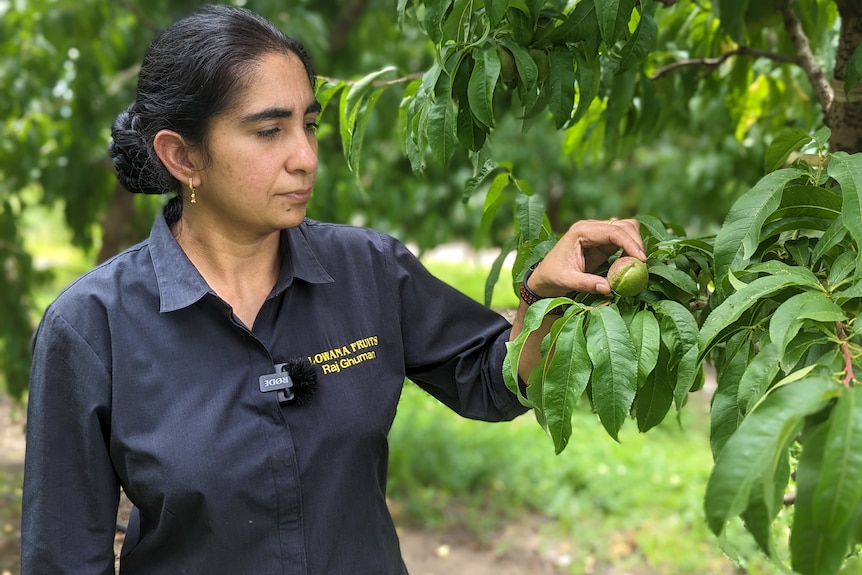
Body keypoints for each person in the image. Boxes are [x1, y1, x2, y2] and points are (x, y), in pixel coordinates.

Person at [20, 4, 645, 574]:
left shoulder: (368, 270)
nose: (305, 157)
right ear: (183, 158)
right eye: (269, 131)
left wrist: (548, 296)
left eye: (309, 125)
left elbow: (494, 380)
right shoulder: (92, 326)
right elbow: (64, 558)